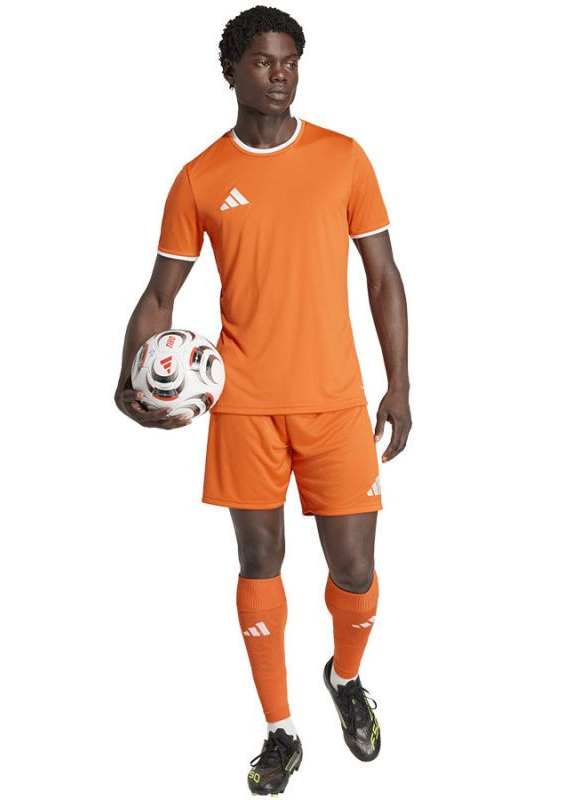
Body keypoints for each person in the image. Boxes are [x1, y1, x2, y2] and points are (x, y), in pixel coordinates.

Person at [114, 6, 411, 795]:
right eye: (263, 62)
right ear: (231, 72)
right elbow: (160, 294)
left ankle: (346, 678)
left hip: (335, 401)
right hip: (243, 403)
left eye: (290, 62)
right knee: (259, 561)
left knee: (355, 570)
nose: (280, 76)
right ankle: (280, 730)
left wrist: (400, 384)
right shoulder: (201, 177)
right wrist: (126, 375)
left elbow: (383, 276)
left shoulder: (344, 158)